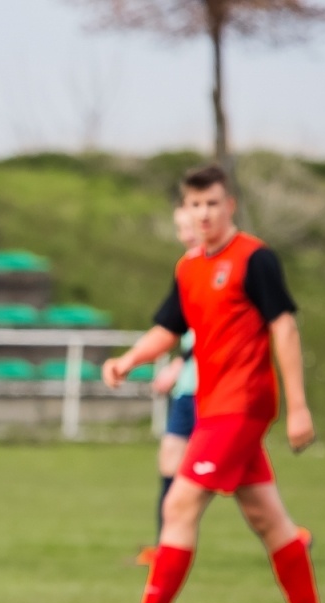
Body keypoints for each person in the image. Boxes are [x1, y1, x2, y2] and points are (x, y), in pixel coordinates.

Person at [89, 163, 325, 603]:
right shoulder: (189, 266)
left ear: (230, 206)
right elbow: (169, 328)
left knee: (178, 505)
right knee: (270, 520)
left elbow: (283, 328)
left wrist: (299, 407)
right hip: (213, 406)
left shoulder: (255, 259)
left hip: (240, 407)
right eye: (195, 205)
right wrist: (130, 359)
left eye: (212, 204)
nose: (203, 213)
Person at [135, 204, 201, 568]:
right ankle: (163, 548)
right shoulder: (189, 267)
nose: (185, 233)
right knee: (170, 459)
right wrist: (179, 363)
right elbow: (187, 331)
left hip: (213, 390)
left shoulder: (214, 267)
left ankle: (289, 535)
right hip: (188, 388)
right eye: (180, 227)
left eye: (188, 225)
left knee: (234, 482)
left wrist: (178, 363)